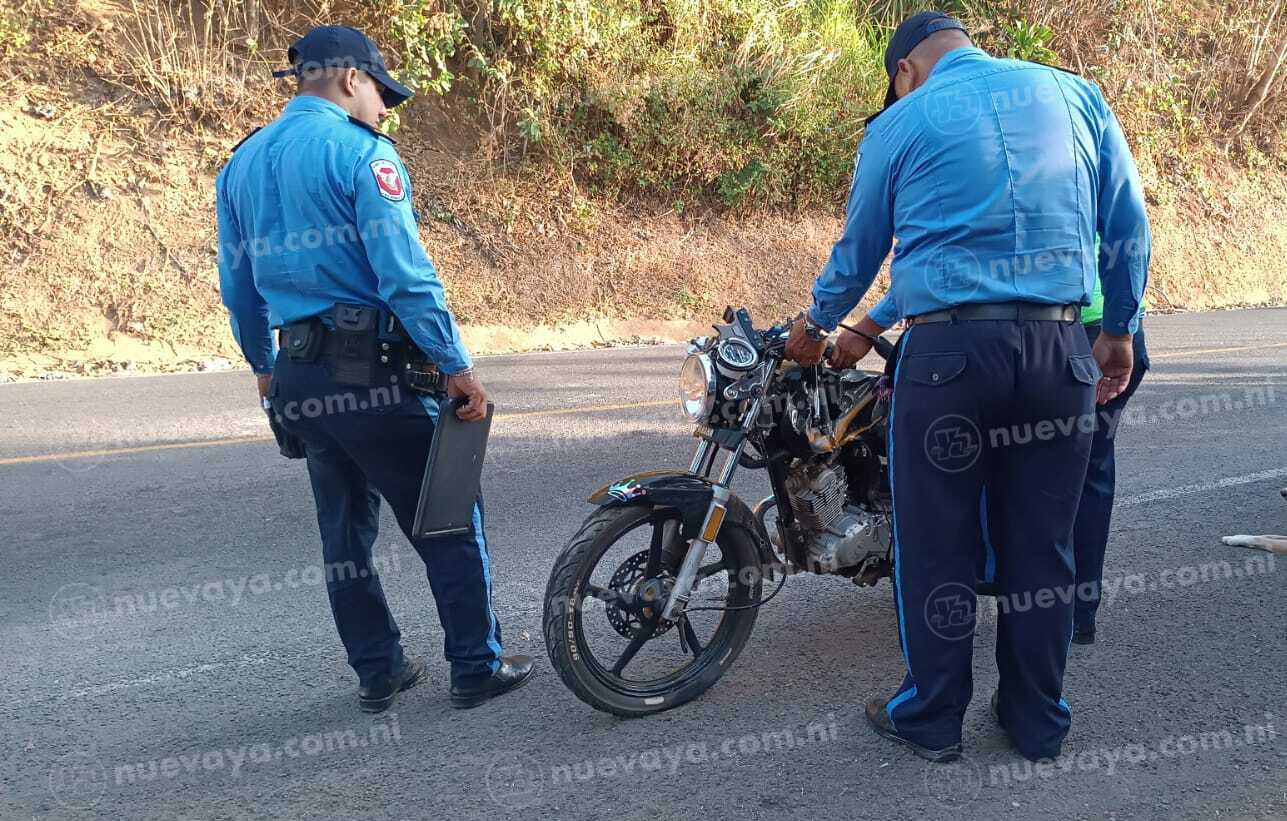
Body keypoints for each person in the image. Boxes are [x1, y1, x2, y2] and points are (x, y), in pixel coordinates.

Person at [784, 11, 1148, 762]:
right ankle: (1037, 720)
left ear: (905, 71)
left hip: (947, 360)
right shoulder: (1077, 94)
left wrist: (817, 324)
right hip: (1059, 352)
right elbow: (1127, 226)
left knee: (935, 544)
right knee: (1042, 545)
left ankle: (932, 717)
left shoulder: (902, 121)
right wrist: (1116, 328)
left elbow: (861, 250)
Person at [215, 25, 533, 713]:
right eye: (381, 94)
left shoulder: (240, 164)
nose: (385, 110)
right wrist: (456, 366)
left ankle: (378, 669)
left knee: (344, 535)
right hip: (375, 374)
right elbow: (407, 279)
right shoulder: (361, 156)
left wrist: (264, 369)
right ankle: (476, 665)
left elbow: (238, 289)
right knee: (447, 515)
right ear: (350, 79)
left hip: (299, 375)